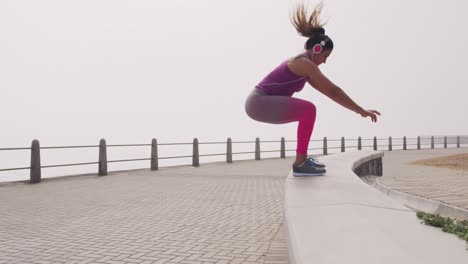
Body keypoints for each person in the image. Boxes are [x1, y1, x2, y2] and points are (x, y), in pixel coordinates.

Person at [245, 2, 381, 176]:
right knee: (308, 110)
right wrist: (361, 110)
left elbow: (330, 94)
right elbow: (335, 91)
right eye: (325, 56)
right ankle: (300, 164)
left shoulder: (306, 69)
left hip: (260, 103)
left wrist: (359, 110)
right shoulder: (303, 63)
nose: (325, 61)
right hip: (258, 102)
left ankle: (302, 160)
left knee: (308, 110)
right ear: (317, 49)